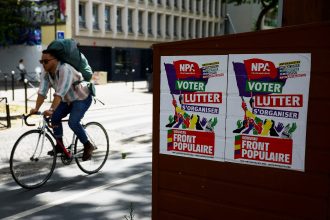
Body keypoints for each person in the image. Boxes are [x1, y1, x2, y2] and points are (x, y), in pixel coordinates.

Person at [30, 49, 94, 161]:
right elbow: (42, 91)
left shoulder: (65, 69)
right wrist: (36, 108)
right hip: (67, 100)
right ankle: (60, 146)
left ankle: (88, 145)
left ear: (55, 60)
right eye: (41, 62)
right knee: (54, 118)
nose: (43, 64)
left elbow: (60, 93)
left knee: (73, 122)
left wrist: (51, 109)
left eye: (46, 61)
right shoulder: (47, 72)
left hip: (82, 98)